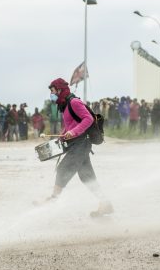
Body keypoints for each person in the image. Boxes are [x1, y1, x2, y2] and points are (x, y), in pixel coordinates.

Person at [37, 78, 113, 217]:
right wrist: (64, 133)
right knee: (87, 176)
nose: (51, 94)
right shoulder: (65, 105)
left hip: (81, 143)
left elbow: (88, 119)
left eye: (53, 91)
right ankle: (105, 203)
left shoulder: (74, 102)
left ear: (59, 90)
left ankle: (53, 199)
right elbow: (71, 123)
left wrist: (73, 132)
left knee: (63, 169)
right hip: (76, 144)